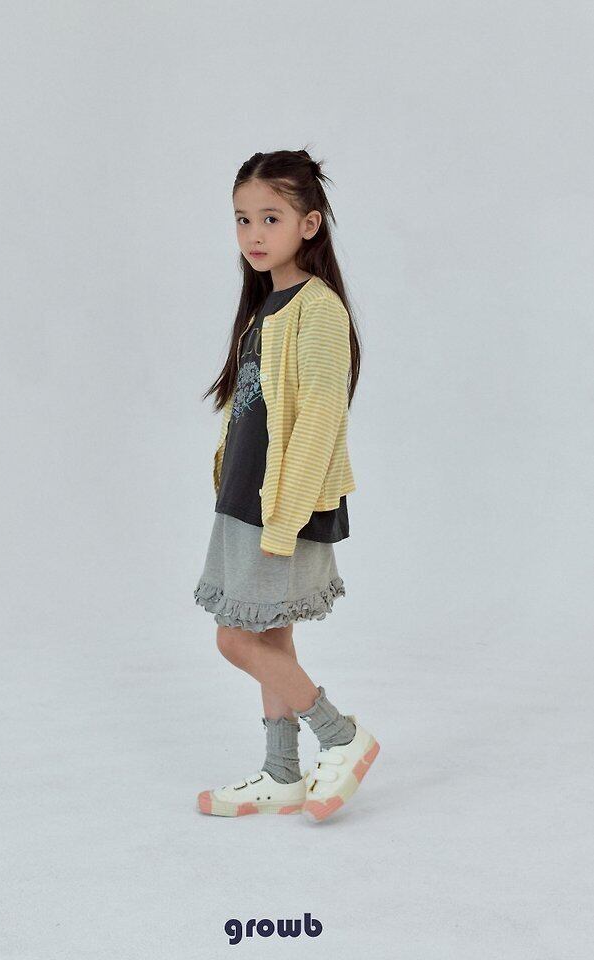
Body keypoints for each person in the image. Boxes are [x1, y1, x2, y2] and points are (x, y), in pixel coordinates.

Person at [193, 148, 380, 822]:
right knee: (268, 636)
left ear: (309, 224)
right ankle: (281, 773)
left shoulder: (318, 309)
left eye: (270, 218)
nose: (253, 234)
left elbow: (323, 419)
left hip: (281, 507)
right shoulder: (265, 307)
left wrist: (285, 517)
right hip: (245, 500)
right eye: (243, 219)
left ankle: (341, 736)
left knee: (235, 639)